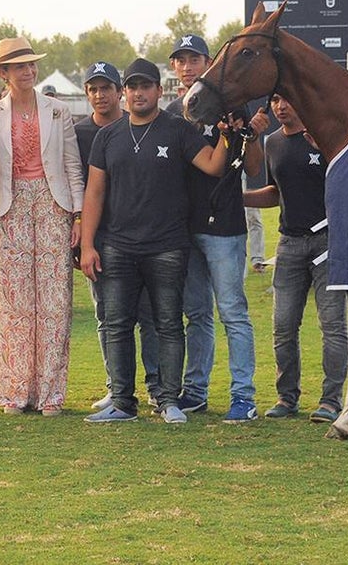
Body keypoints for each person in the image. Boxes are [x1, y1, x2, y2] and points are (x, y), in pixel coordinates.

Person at [80, 58, 229, 423]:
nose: (138, 93)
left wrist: (230, 134)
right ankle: (122, 402)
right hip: (118, 245)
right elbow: (94, 193)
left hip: (166, 245)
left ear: (159, 91)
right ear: (124, 93)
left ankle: (167, 400)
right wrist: (87, 245)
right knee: (116, 324)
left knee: (167, 324)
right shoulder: (108, 135)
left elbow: (212, 165)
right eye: (132, 87)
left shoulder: (178, 129)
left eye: (145, 86)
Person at [0, 38, 84, 416]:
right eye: (19, 66)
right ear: (4, 73)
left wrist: (79, 215)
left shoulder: (58, 111)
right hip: (10, 207)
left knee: (55, 302)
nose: (28, 72)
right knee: (15, 304)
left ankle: (51, 394)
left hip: (54, 205)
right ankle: (15, 393)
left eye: (31, 65)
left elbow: (72, 165)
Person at [166, 34, 269, 423]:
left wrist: (251, 134)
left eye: (195, 58)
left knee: (232, 312)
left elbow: (255, 167)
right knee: (197, 314)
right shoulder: (174, 111)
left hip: (225, 225)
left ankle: (243, 396)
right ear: (174, 66)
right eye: (181, 60)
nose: (188, 66)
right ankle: (195, 390)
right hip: (184, 227)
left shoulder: (234, 105)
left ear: (210, 62)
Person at [244, 93, 348, 422]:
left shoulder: (325, 136)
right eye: (275, 100)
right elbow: (276, 192)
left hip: (327, 242)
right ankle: (287, 398)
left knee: (332, 326)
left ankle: (331, 400)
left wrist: (328, 151)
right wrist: (239, 199)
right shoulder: (273, 143)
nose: (281, 106)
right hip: (288, 244)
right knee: (283, 327)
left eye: (288, 99)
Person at [72, 61, 160, 411]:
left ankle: (155, 384)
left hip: (140, 237)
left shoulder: (136, 126)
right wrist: (83, 235)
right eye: (93, 89)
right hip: (99, 237)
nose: (99, 95)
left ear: (118, 91)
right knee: (107, 315)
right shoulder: (78, 133)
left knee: (149, 315)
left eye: (106, 88)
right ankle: (116, 385)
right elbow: (79, 186)